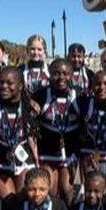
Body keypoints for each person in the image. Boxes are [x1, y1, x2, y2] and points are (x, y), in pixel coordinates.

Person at [0, 67, 39, 198]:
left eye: (9, 83)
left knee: (25, 199)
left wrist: (36, 161)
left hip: (23, 161)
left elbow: (32, 136)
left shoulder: (29, 108)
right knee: (9, 201)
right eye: (0, 82)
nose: (4, 86)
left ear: (20, 86)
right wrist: (3, 152)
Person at [30, 58, 81, 202]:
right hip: (47, 150)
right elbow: (23, 100)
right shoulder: (41, 94)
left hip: (69, 149)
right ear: (50, 74)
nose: (61, 78)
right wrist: (30, 103)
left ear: (71, 75)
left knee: (67, 189)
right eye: (56, 73)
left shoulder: (79, 94)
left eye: (65, 73)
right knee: (50, 190)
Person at [76, 70, 106, 191]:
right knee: (90, 190)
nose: (102, 87)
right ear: (91, 87)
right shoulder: (84, 104)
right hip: (89, 154)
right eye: (97, 84)